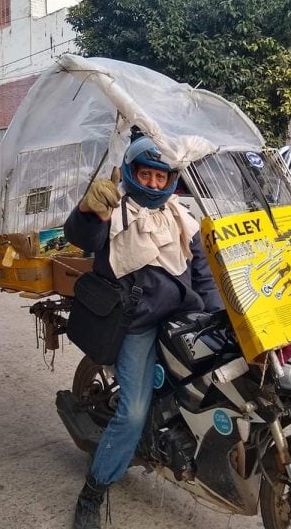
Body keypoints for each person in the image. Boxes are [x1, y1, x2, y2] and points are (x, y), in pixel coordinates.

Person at [64, 135, 223, 529]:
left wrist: (218, 316)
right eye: (145, 175)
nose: (153, 184)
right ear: (132, 174)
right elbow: (83, 237)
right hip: (137, 324)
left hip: (185, 320)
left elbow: (202, 273)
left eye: (160, 176)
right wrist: (87, 209)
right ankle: (94, 490)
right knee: (133, 412)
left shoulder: (181, 217)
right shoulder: (114, 211)